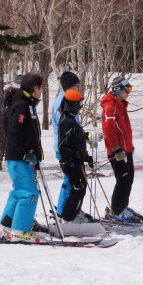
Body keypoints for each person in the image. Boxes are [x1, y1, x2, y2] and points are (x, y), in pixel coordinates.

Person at [0, 73, 48, 243]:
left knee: (19, 193)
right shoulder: (21, 105)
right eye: (41, 88)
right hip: (19, 158)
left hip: (21, 157)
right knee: (29, 194)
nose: (42, 91)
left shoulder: (27, 104)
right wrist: (24, 153)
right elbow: (14, 132)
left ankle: (6, 227)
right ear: (34, 88)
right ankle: (20, 230)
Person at [57, 89, 105, 236]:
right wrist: (70, 162)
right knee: (78, 188)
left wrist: (86, 157)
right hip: (70, 163)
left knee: (80, 188)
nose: (80, 107)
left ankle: (70, 217)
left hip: (76, 161)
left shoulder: (71, 119)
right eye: (78, 104)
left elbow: (76, 141)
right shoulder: (66, 120)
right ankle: (68, 219)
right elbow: (63, 145)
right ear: (71, 105)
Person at [101, 76, 140, 222]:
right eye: (127, 89)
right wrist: (116, 149)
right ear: (118, 90)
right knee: (122, 180)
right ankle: (116, 211)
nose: (128, 93)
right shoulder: (110, 107)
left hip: (125, 150)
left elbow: (124, 130)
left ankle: (122, 206)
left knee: (129, 179)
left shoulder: (121, 105)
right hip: (117, 152)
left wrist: (129, 145)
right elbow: (109, 130)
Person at [52, 71, 81, 217]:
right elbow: (65, 127)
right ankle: (63, 211)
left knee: (74, 180)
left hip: (73, 146)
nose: (78, 88)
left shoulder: (70, 100)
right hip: (65, 148)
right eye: (76, 86)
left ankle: (71, 209)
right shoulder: (62, 103)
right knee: (70, 180)